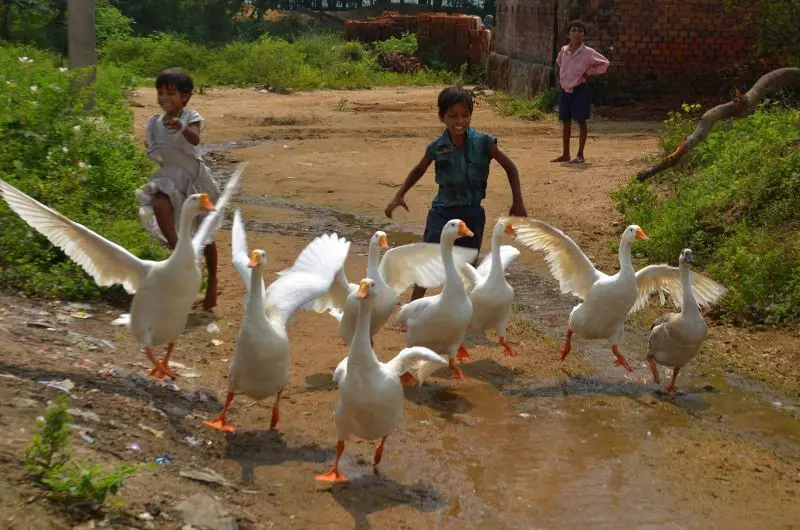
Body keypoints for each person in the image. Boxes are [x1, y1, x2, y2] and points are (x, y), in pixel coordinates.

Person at [384, 86, 528, 302]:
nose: (459, 121)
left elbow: (511, 168)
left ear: (471, 115)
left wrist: (518, 202)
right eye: (452, 116)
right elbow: (419, 169)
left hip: (472, 213)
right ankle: (412, 308)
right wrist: (400, 194)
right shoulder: (437, 147)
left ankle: (463, 309)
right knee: (428, 260)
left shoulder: (484, 142)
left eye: (465, 115)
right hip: (442, 212)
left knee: (468, 268)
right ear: (442, 117)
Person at [136, 68, 221, 310]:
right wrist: (151, 145)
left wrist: (182, 127)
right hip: (169, 178)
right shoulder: (154, 123)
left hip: (194, 179)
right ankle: (181, 254)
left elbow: (195, 139)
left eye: (170, 93)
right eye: (160, 93)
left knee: (205, 234)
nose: (164, 98)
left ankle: (213, 281)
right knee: (159, 204)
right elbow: (155, 149)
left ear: (185, 96)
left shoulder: (191, 117)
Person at [551, 20, 609, 164]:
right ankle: (565, 154)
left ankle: (580, 155)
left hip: (579, 89)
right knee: (565, 122)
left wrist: (590, 72)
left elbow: (605, 63)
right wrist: (561, 79)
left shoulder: (588, 52)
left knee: (581, 122)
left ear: (584, 35)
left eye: (580, 31)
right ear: (569, 34)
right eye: (573, 30)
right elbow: (559, 63)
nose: (576, 33)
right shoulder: (564, 50)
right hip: (565, 90)